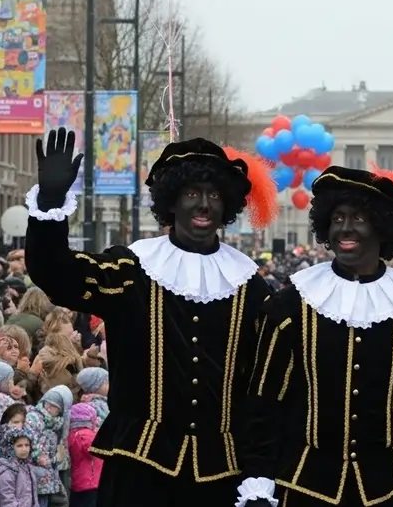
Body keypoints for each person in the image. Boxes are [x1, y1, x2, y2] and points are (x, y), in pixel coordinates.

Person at [24, 128, 278, 507]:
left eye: (213, 195)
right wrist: (49, 205)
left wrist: (260, 470)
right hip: (138, 471)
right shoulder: (133, 269)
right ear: (171, 202)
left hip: (223, 475)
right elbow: (58, 274)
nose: (203, 205)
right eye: (191, 194)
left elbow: (265, 389)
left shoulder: (250, 286)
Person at [237, 165, 393, 507]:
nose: (345, 227)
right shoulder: (290, 305)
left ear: (382, 226)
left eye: (359, 218)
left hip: (392, 490)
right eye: (338, 218)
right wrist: (258, 477)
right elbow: (265, 400)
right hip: (303, 486)